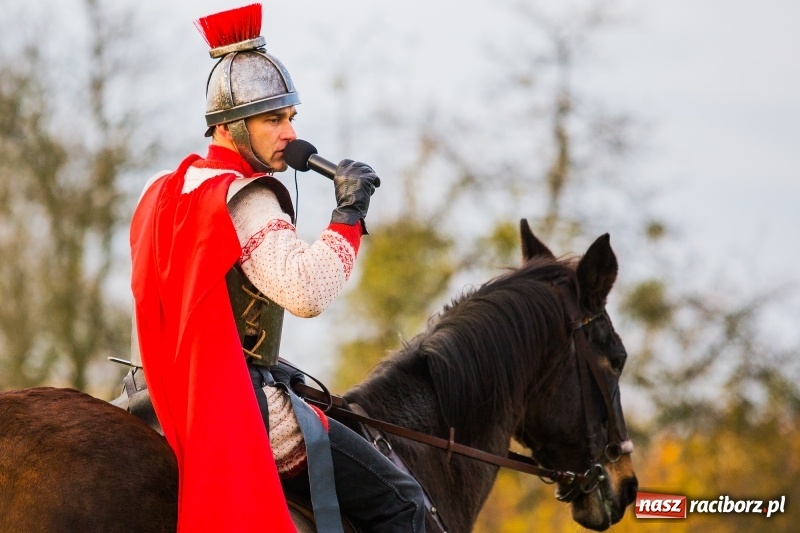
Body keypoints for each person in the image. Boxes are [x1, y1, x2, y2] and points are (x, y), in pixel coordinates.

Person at [129, 3, 425, 532]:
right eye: (274, 120)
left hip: (162, 392)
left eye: (291, 117)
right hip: (235, 409)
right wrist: (349, 216)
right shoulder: (247, 200)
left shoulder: (163, 189)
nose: (289, 132)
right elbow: (307, 292)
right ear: (232, 126)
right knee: (404, 503)